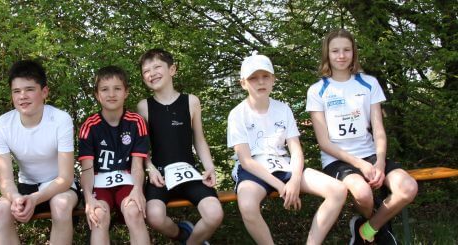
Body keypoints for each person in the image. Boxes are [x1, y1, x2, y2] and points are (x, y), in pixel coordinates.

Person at [306, 29, 418, 245]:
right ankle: (380, 231)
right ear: (327, 54)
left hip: (371, 154)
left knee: (408, 188)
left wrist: (380, 161)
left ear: (354, 52)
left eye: (346, 50)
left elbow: (378, 129)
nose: (341, 55)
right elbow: (324, 142)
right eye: (335, 50)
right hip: (338, 160)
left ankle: (367, 229)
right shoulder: (317, 90)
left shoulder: (369, 83)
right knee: (363, 193)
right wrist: (360, 165)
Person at [227, 53, 347, 245]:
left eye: (265, 76)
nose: (260, 82)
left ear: (273, 79)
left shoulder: (283, 109)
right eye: (253, 78)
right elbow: (246, 161)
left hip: (285, 166)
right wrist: (281, 186)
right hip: (253, 172)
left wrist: (295, 181)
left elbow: (296, 150)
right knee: (247, 205)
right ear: (243, 83)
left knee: (338, 190)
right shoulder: (237, 114)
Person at [136, 48, 224, 244]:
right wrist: (149, 169)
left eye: (157, 67)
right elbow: (141, 146)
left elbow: (199, 139)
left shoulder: (191, 101)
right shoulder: (144, 106)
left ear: (172, 69)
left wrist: (209, 167)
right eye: (146, 71)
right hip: (160, 175)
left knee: (214, 214)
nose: (152, 73)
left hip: (189, 172)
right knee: (154, 216)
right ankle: (182, 234)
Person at [0, 60, 79, 245]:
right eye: (16, 91)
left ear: (44, 92)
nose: (23, 96)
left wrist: (35, 199)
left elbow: (66, 177)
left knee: (60, 205)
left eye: (29, 89)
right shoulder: (1, 126)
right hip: (26, 185)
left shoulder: (61, 120)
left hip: (59, 186)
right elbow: (5, 180)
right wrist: (15, 198)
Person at [78, 65, 150, 245]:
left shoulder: (136, 122)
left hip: (127, 183)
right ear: (97, 95)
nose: (111, 94)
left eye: (117, 88)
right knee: (98, 215)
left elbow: (137, 165)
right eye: (104, 89)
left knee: (134, 211)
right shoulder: (89, 126)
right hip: (99, 184)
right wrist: (88, 199)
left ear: (126, 92)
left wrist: (137, 190)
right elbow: (86, 169)